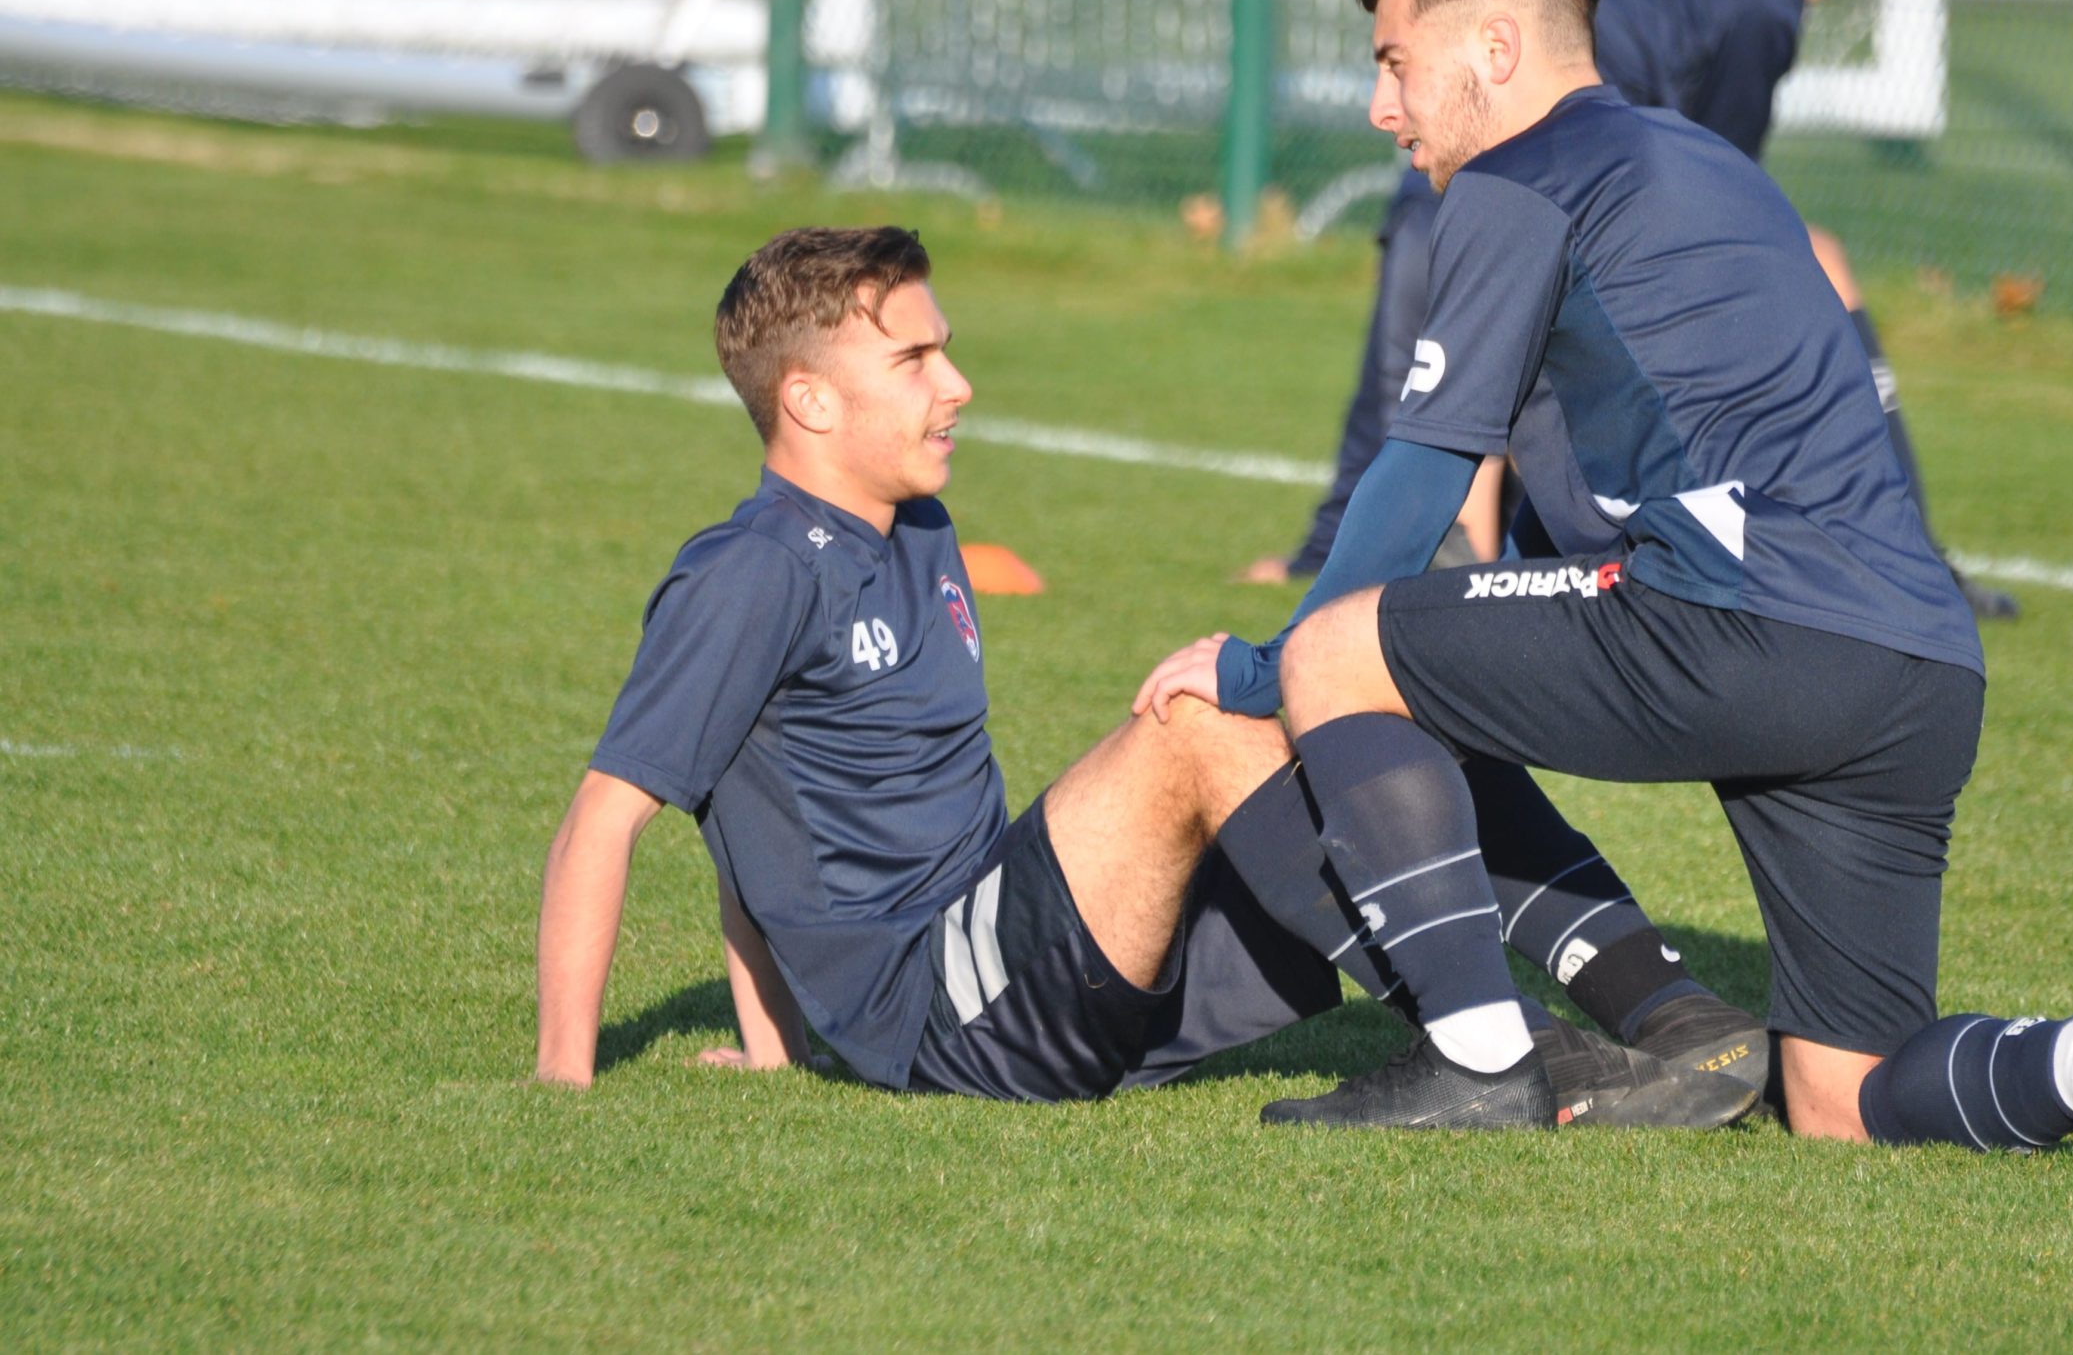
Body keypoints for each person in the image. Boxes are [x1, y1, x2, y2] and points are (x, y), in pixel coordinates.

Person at [1139, 0, 2073, 1184]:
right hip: (1916, 666)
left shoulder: (1517, 174)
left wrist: (1273, 665)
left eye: (1394, 63)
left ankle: (1480, 1056)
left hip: (1741, 619)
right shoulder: (1709, 162)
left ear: (1493, 48)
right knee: (1838, 1090)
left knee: (1343, 652)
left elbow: (1429, 459)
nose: (1386, 109)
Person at [534, 225, 1758, 1127]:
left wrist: (773, 1046)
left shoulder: (913, 527)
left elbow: (754, 834)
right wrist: (563, 1082)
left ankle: (1666, 1015)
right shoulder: (747, 573)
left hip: (1031, 953)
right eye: (914, 360)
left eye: (945, 351)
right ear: (805, 399)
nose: (955, 384)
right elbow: (618, 813)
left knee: (1376, 675)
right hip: (946, 1010)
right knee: (1191, 720)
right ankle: (1505, 1050)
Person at [1247, 0, 2017, 622]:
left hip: (1441, 182)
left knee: (1442, 409)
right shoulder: (1760, 1)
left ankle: (1382, 553)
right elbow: (1705, 199)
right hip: (1548, 217)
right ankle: (1900, 550)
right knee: (1813, 262)